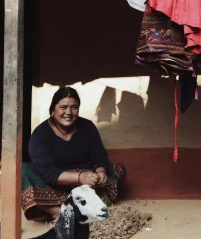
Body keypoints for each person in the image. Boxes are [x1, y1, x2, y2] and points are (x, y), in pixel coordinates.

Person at [21, 86, 126, 221]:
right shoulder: (41, 134)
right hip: (55, 184)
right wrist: (79, 177)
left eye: (74, 107)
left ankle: (84, 206)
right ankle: (58, 212)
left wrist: (101, 173)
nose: (69, 112)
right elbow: (48, 172)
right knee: (23, 169)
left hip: (87, 182)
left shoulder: (87, 126)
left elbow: (99, 156)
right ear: (53, 109)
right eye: (63, 107)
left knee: (118, 168)